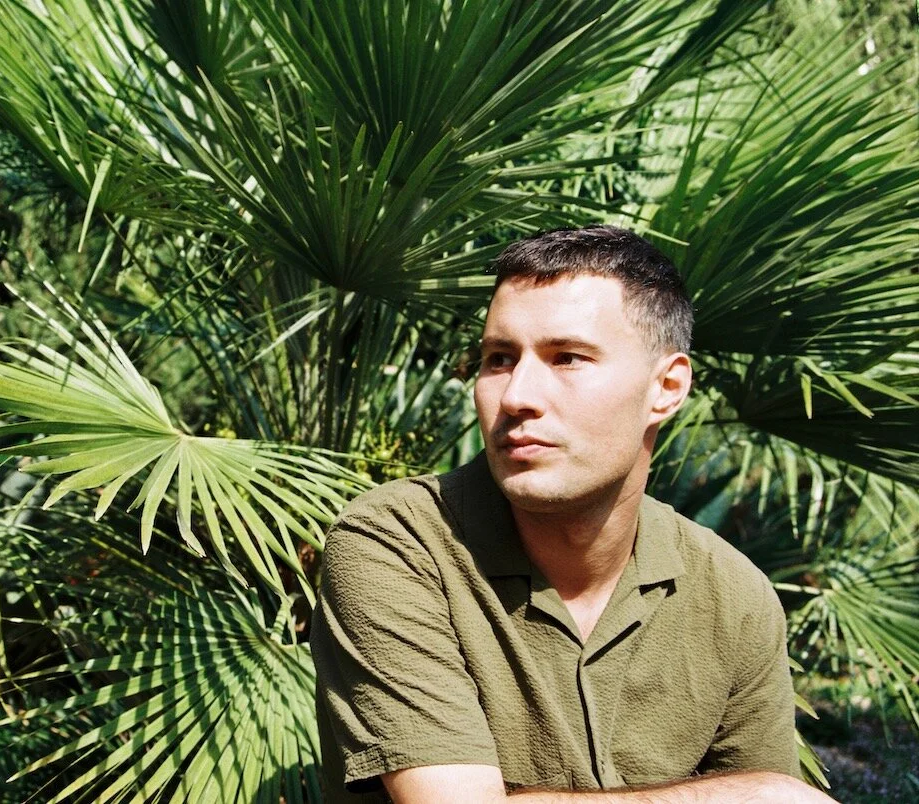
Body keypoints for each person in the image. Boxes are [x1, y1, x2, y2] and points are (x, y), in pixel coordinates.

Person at [310, 226, 836, 803]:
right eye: (499, 359)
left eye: (568, 358)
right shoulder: (397, 543)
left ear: (666, 387)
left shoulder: (733, 595)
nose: (517, 396)